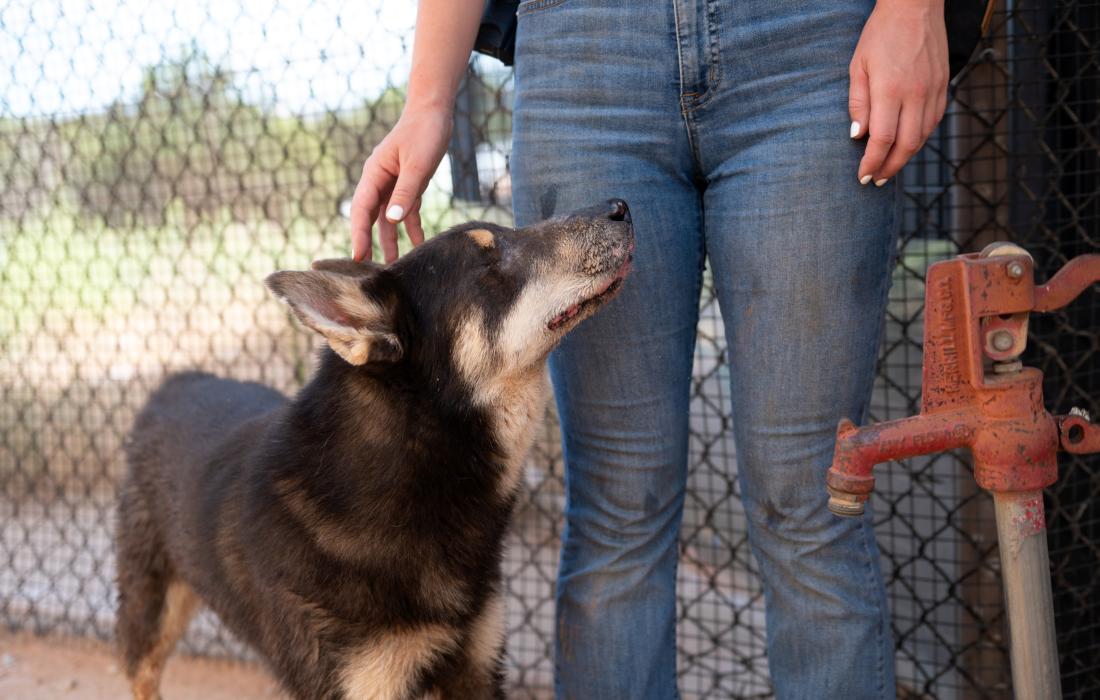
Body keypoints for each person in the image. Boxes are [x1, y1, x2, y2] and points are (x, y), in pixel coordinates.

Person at [349, 1, 949, 697]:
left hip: (807, 46)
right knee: (617, 513)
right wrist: (426, 98)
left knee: (814, 503)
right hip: (586, 55)